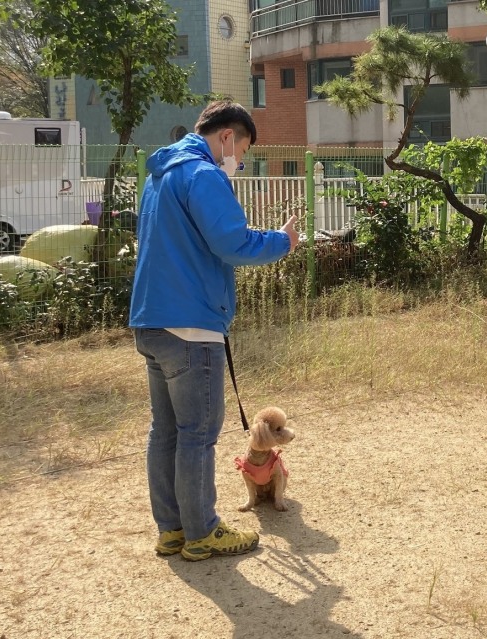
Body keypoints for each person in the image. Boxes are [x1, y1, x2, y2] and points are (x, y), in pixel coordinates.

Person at [129, 100, 299, 561]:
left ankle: (173, 530)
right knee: (198, 433)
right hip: (193, 323)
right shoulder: (204, 175)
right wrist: (283, 240)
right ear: (228, 136)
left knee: (165, 431)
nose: (239, 162)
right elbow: (233, 242)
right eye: (242, 151)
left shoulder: (159, 175)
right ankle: (203, 531)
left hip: (151, 318)